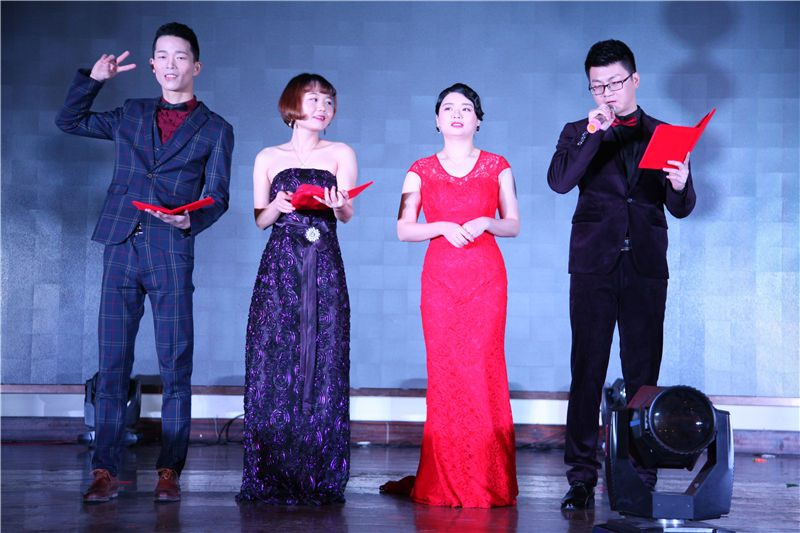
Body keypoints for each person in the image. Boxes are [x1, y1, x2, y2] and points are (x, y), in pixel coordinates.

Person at [55, 22, 234, 503]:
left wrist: (189, 221)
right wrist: (94, 81)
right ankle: (104, 469)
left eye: (181, 57)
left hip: (170, 251)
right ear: (153, 65)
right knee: (112, 364)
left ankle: (169, 470)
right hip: (120, 246)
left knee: (176, 365)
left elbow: (218, 196)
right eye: (163, 56)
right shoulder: (130, 113)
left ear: (196, 66)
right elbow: (70, 121)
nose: (171, 64)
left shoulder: (216, 129)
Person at [547, 39, 696, 510]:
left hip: (646, 267)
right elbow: (560, 182)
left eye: (614, 83)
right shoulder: (578, 130)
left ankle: (640, 476)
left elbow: (680, 207)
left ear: (635, 80)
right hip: (593, 265)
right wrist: (594, 132)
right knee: (586, 371)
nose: (607, 93)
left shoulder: (665, 132)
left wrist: (681, 184)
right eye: (597, 86)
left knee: (643, 375)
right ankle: (581, 477)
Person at [383, 83, 520, 507]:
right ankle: (444, 479)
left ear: (478, 119)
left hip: (485, 280)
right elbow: (404, 229)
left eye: (466, 108)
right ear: (437, 120)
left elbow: (513, 223)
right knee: (445, 374)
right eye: (448, 108)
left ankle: (487, 478)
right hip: (441, 281)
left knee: (482, 370)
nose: (457, 113)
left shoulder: (497, 165)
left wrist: (485, 222)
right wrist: (442, 226)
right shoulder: (419, 169)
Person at [237, 73, 358, 505]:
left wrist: (338, 203)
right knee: (275, 355)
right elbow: (260, 220)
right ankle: (270, 470)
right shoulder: (267, 157)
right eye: (313, 99)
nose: (322, 107)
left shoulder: (341, 152)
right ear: (293, 104)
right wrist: (276, 204)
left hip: (324, 262)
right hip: (280, 267)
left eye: (328, 100)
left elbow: (347, 213)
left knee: (323, 355)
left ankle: (320, 470)